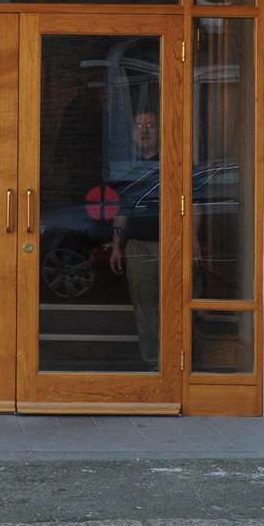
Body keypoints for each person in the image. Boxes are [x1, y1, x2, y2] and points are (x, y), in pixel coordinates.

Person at [109, 108, 161, 369]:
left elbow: (193, 201)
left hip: (170, 242)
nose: (144, 130)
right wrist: (117, 245)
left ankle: (180, 360)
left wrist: (193, 239)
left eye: (150, 125)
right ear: (132, 132)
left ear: (158, 131)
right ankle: (154, 361)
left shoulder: (173, 158)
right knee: (145, 304)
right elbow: (121, 209)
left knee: (177, 300)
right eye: (139, 126)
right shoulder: (126, 166)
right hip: (138, 243)